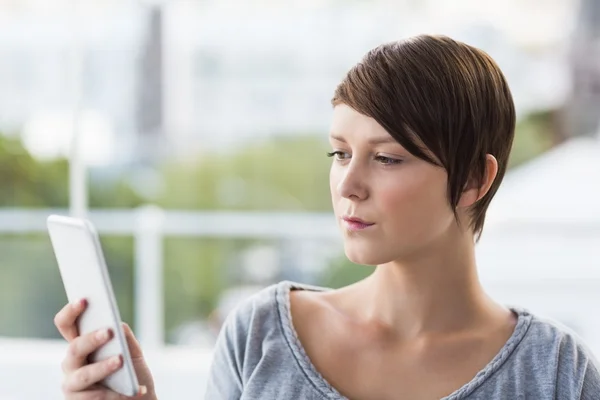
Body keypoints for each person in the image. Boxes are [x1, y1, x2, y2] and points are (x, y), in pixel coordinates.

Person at [53, 34, 600, 399]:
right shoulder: (260, 335)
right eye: (340, 153)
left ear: (475, 180)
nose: (348, 185)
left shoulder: (555, 372)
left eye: (386, 158)